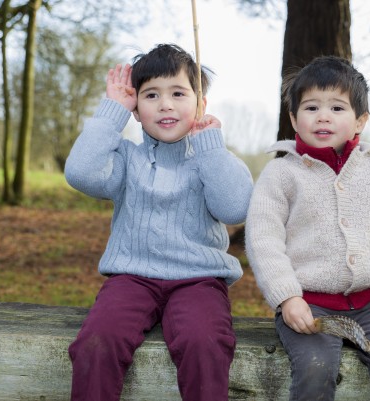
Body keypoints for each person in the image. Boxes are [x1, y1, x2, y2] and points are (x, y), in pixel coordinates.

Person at [65, 43, 253, 401]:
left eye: (178, 93)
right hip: (131, 278)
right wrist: (112, 113)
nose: (165, 104)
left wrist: (211, 148)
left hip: (198, 279)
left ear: (201, 104)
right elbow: (80, 173)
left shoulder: (213, 158)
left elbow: (235, 209)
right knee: (97, 341)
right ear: (136, 110)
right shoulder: (125, 159)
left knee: (205, 342)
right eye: (151, 95)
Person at [245, 55, 370, 401]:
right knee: (315, 368)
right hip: (308, 305)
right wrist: (287, 297)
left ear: (360, 120)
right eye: (311, 107)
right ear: (293, 119)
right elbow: (263, 240)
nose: (323, 116)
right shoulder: (281, 174)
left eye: (337, 108)